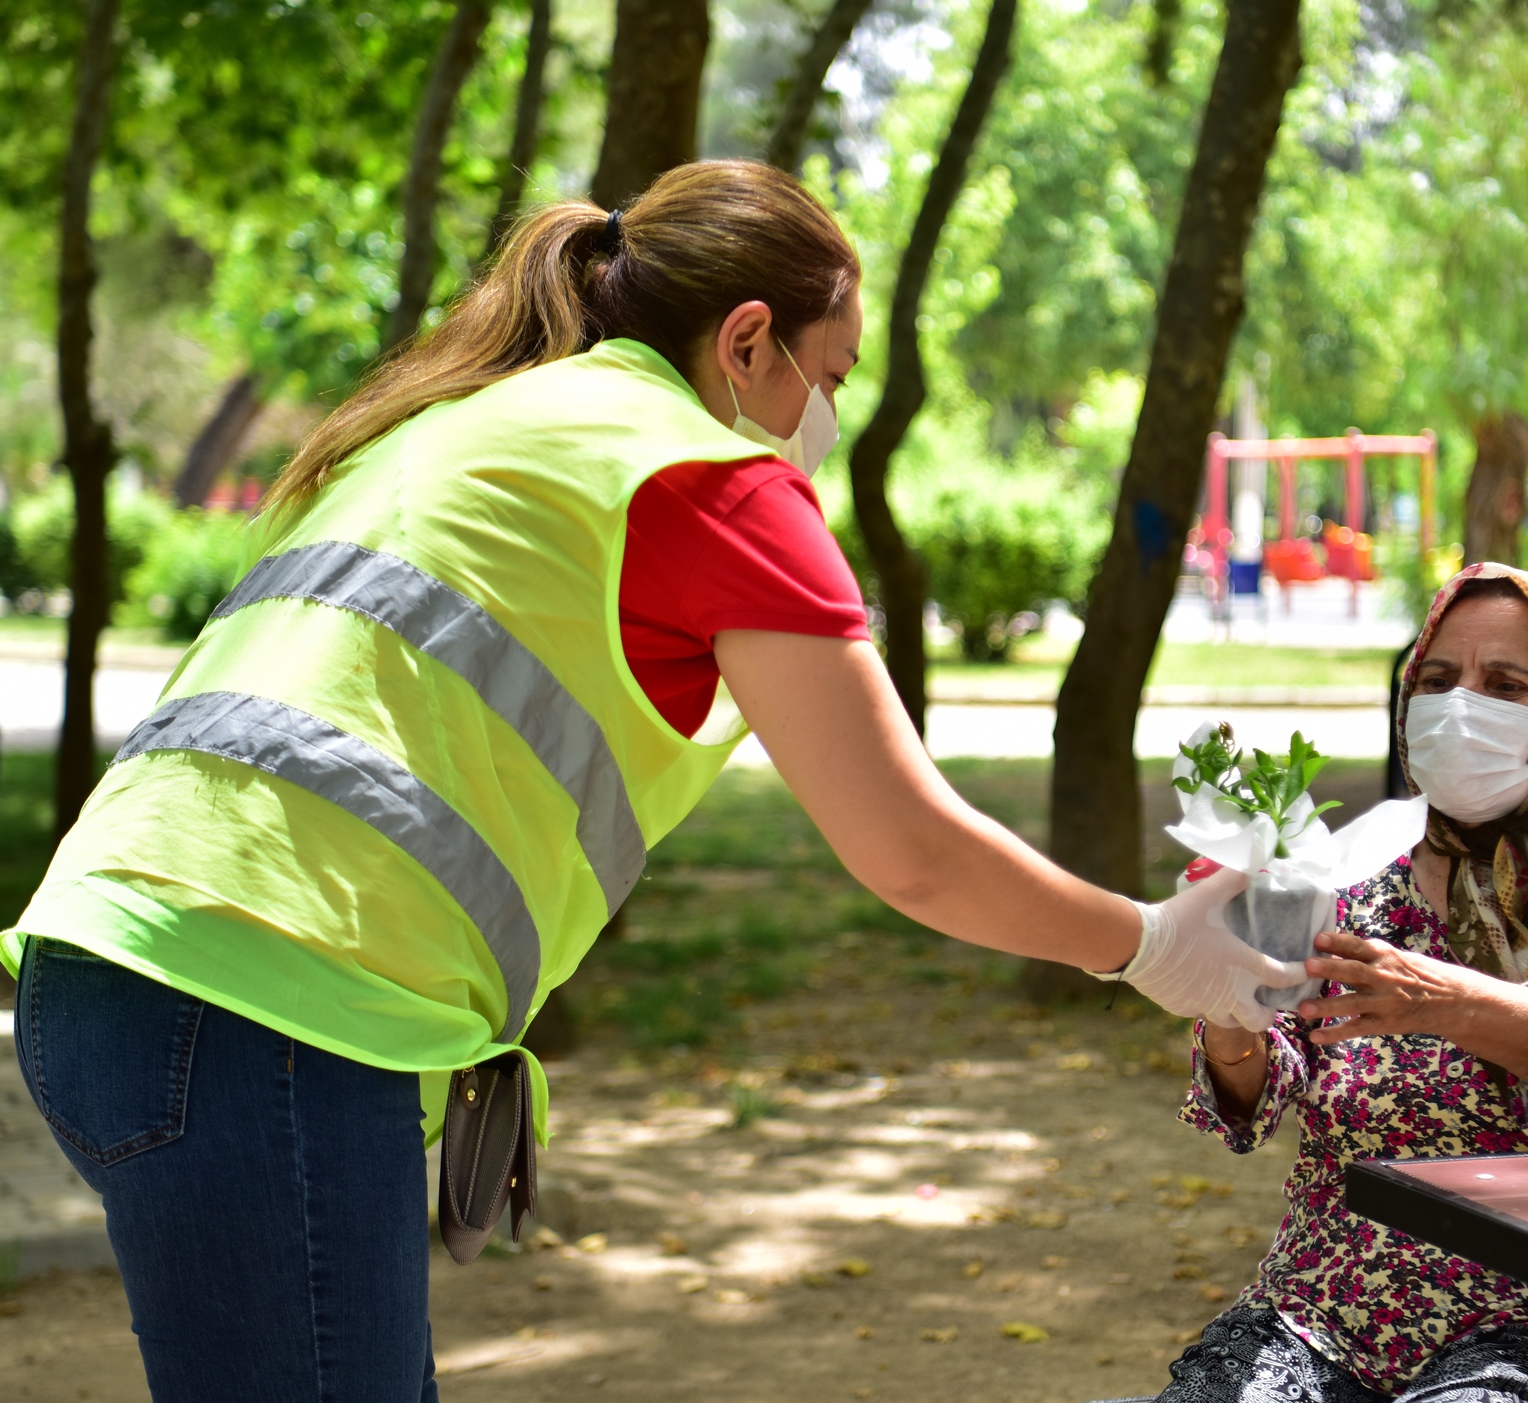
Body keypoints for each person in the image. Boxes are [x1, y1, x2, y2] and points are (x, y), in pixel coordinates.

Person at [2, 162, 1292, 1402]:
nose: (822, 420)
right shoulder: (710, 482)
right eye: (827, 374)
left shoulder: (469, 420)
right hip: (260, 1004)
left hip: (120, 968)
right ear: (747, 342)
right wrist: (1149, 945)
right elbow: (912, 846)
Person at [1159, 564, 1528, 1403]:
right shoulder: (1355, 871)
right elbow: (1266, 1087)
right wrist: (1231, 1024)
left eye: (1505, 684)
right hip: (1325, 1309)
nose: (1458, 705)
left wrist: (1442, 999)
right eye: (1438, 679)